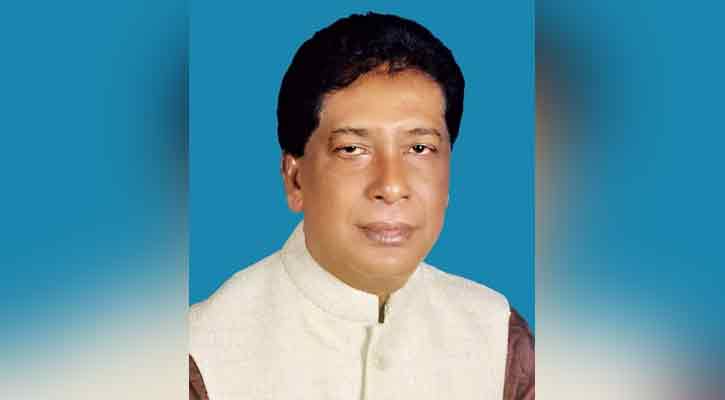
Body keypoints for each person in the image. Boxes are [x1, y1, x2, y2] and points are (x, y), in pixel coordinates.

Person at [189, 12, 533, 400]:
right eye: (352, 149)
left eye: (419, 148)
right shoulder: (202, 355)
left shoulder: (499, 338)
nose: (391, 186)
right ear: (295, 179)